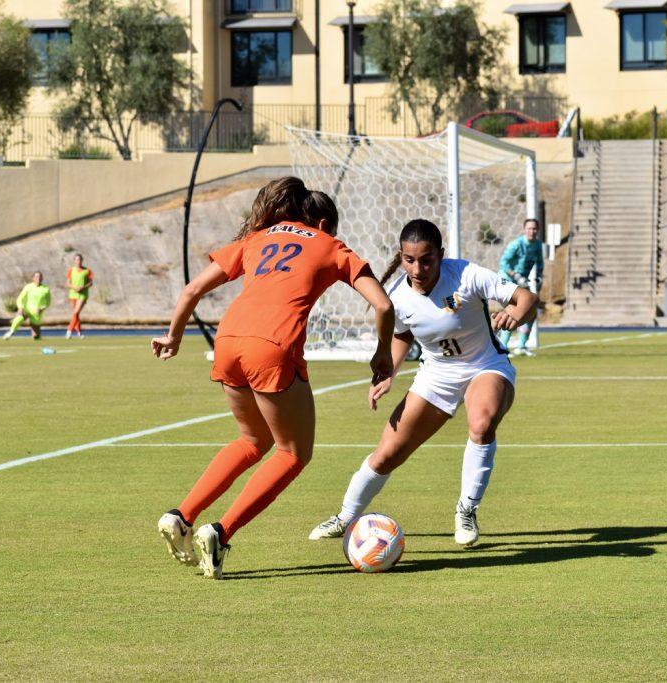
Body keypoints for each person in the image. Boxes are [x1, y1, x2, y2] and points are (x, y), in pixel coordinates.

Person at [153, 179, 394, 580]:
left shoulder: (258, 237)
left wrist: (173, 335)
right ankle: (220, 532)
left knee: (252, 441)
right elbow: (383, 304)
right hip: (271, 344)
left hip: (228, 339)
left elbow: (194, 288)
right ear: (321, 222)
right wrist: (383, 352)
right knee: (293, 453)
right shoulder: (329, 244)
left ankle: (181, 515)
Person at [309, 219, 539, 547]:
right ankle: (346, 516)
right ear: (401, 257)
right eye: (409, 260)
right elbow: (402, 334)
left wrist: (516, 314)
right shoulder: (397, 298)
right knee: (386, 455)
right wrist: (389, 371)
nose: (418, 268)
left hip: (485, 366)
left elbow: (527, 298)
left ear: (441, 256)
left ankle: (466, 510)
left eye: (427, 259)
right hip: (436, 375)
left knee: (482, 423)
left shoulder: (467, 275)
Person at [497, 218, 544, 356]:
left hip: (522, 282)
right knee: (513, 310)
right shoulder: (516, 244)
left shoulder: (537, 245)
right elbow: (503, 263)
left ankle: (521, 346)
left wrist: (539, 276)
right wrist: (516, 275)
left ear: (538, 230)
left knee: (531, 311)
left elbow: (540, 263)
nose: (532, 231)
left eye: (534, 228)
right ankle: (503, 347)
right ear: (525, 230)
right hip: (507, 280)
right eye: (529, 228)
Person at [3, 272, 51, 340]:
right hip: (26, 309)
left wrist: (42, 308)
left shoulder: (45, 289)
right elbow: (20, 298)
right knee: (19, 318)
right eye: (37, 277)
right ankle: (11, 332)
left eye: (40, 277)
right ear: (33, 278)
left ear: (42, 278)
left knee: (36, 337)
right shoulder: (28, 287)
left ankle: (37, 342)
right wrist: (20, 308)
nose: (38, 278)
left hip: (36, 313)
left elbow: (48, 302)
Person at [65, 253, 93, 339]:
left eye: (80, 260)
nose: (78, 261)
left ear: (82, 261)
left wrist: (83, 287)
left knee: (76, 312)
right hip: (73, 294)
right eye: (76, 260)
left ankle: (69, 331)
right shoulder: (71, 270)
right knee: (76, 315)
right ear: (74, 261)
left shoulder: (87, 271)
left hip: (82, 294)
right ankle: (79, 333)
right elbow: (68, 283)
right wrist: (74, 287)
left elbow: (90, 283)